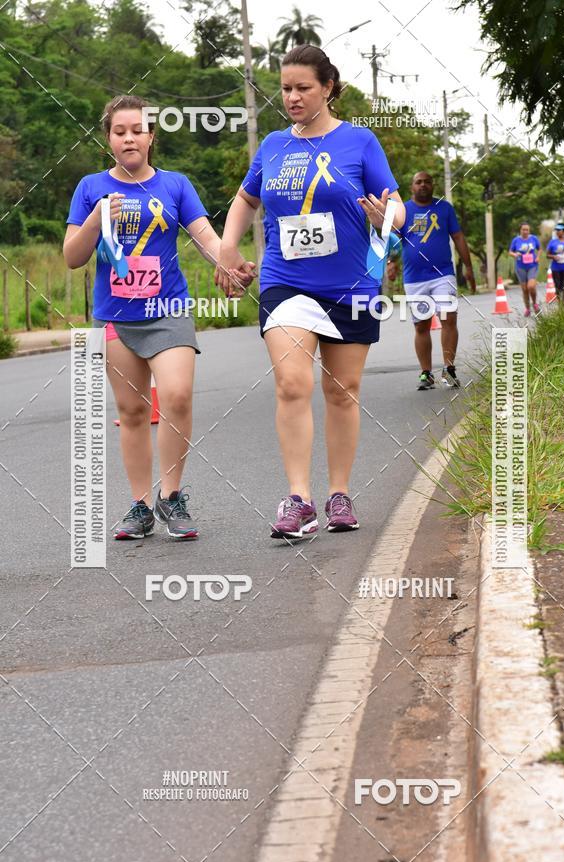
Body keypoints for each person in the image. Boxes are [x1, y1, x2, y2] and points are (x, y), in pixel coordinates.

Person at [216, 44, 405, 539]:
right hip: (286, 282)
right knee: (292, 383)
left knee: (342, 392)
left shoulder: (360, 142)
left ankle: (338, 493)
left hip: (351, 283)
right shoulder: (274, 145)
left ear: (328, 87)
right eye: (285, 88)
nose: (292, 97)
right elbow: (244, 198)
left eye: (303, 88)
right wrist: (227, 247)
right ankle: (298, 500)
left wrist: (389, 219)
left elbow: (395, 203)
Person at [64, 95, 254, 540]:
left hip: (168, 309)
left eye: (137, 130)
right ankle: (140, 506)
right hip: (114, 316)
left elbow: (206, 236)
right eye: (119, 131)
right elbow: (73, 257)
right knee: (132, 411)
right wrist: (95, 219)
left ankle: (171, 496)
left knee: (177, 395)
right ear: (108, 138)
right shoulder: (91, 187)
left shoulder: (175, 185)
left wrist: (229, 264)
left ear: (151, 136)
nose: (128, 138)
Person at [396, 172, 476, 390]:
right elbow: (393, 239)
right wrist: (390, 264)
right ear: (412, 186)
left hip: (443, 274)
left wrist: (468, 267)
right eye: (418, 182)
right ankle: (426, 373)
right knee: (421, 325)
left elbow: (458, 237)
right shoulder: (402, 211)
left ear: (433, 185)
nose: (423, 185)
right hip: (414, 278)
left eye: (427, 182)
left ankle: (449, 369)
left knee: (448, 319)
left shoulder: (444, 208)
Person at [508, 222, 541, 316]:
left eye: (527, 230)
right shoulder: (516, 240)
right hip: (520, 266)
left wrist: (538, 257)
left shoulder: (533, 238)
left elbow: (539, 249)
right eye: (524, 229)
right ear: (520, 230)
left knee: (531, 286)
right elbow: (510, 252)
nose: (525, 231)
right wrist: (515, 254)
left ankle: (534, 303)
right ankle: (527, 308)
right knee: (525, 289)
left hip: (532, 265)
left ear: (529, 230)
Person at [546, 222, 564, 304]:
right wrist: (553, 256)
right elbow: (547, 255)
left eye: (559, 230)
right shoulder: (552, 242)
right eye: (556, 230)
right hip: (556, 268)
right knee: (558, 287)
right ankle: (559, 304)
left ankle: (563, 306)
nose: (557, 232)